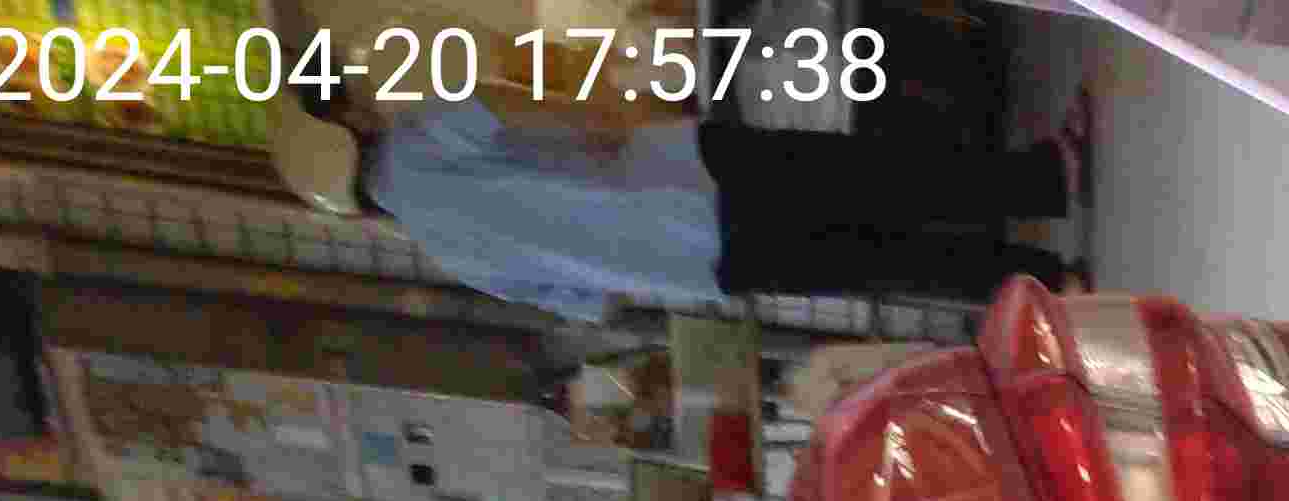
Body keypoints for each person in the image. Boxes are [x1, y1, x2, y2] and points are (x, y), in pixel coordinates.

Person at [270, 93, 1079, 318]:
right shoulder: (418, 139)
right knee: (877, 178)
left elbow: (588, 302)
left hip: (694, 262)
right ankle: (1039, 181)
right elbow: (531, 111)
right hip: (685, 174)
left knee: (876, 262)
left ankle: (1044, 283)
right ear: (348, 132)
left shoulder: (449, 254)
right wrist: (623, 120)